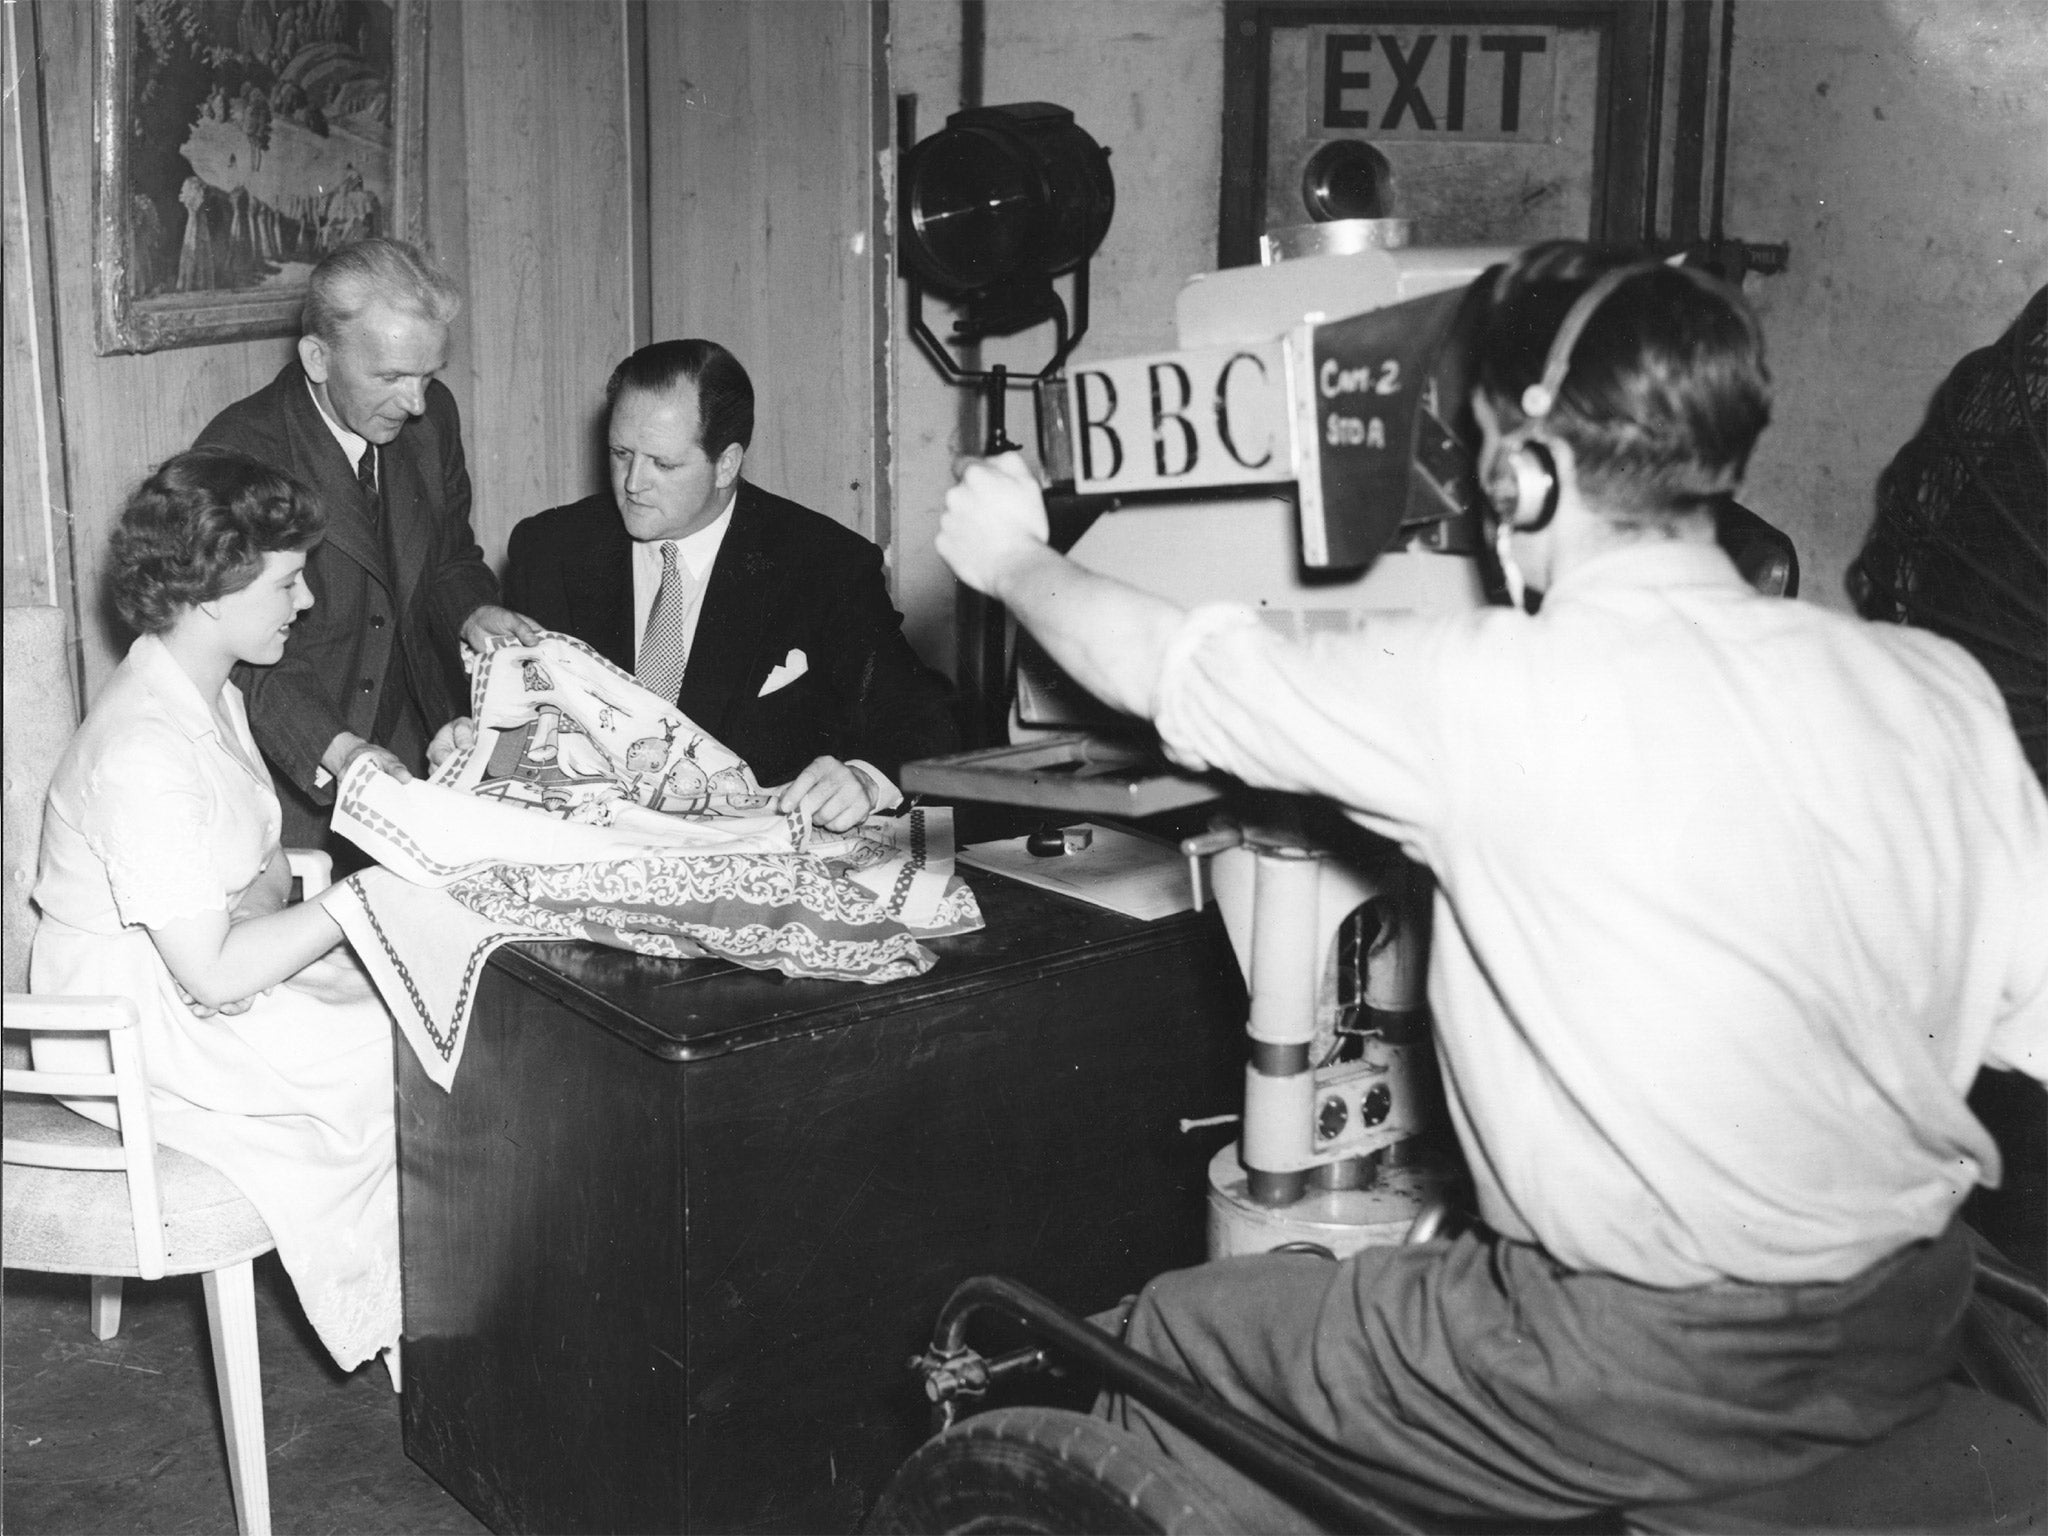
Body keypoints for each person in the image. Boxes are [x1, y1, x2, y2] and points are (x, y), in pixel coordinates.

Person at [935, 242, 2048, 1525]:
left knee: (1165, 1337)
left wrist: (1014, 559)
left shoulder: (1494, 688)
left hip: (1628, 1370)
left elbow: (1163, 661)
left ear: (1520, 476)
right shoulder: (1933, 692)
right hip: (1906, 1314)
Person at [31, 448, 402, 1377]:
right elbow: (214, 973)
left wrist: (251, 917)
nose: (309, 599)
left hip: (195, 974)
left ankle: (431, 1325)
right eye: (287, 580)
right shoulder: (143, 747)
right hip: (124, 1022)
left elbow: (268, 866)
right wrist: (363, 898)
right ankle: (410, 1327)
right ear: (206, 595)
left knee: (424, 1025)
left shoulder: (211, 692)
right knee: (402, 1065)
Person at [503, 339, 958, 832]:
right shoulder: (548, 549)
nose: (633, 483)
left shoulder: (825, 564)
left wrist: (867, 780)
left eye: (664, 463)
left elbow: (923, 714)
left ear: (727, 463)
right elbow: (518, 721)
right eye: (620, 453)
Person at [196, 237, 540, 861]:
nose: (414, 403)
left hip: (417, 748)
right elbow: (240, 655)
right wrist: (341, 748)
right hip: (299, 770)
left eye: (428, 375)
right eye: (390, 377)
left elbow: (449, 554)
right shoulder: (241, 454)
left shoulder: (431, 419)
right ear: (318, 358)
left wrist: (474, 609)